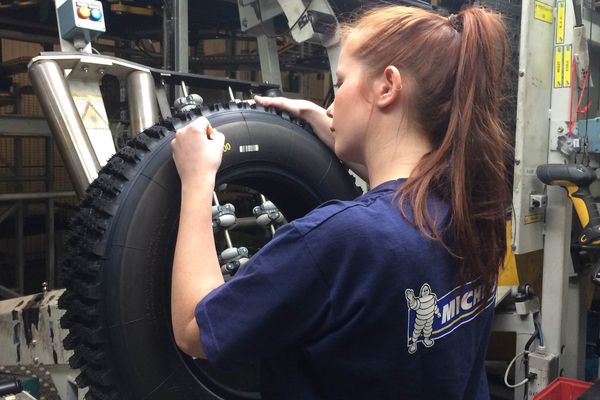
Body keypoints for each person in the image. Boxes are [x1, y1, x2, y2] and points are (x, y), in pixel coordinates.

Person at [170, 5, 511, 399]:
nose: (330, 106)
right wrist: (340, 130)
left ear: (387, 87)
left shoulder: (336, 240)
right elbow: (397, 202)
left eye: (341, 82)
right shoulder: (472, 210)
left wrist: (197, 180)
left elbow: (195, 332)